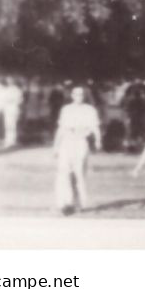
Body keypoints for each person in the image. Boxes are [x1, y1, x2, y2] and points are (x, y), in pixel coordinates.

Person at [51, 86, 102, 215]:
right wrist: (56, 147)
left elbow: (95, 127)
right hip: (66, 142)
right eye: (76, 94)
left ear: (84, 96)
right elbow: (61, 129)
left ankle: (81, 203)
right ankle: (64, 203)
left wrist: (98, 140)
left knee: (79, 173)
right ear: (72, 95)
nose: (79, 96)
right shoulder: (66, 109)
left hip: (80, 142)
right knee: (63, 172)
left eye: (81, 94)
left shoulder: (90, 110)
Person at [0, 77, 24, 148]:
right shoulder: (6, 90)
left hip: (13, 108)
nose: (9, 82)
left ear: (14, 81)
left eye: (11, 80)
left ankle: (12, 141)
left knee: (12, 125)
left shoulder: (17, 90)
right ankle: (8, 140)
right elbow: (2, 99)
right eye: (8, 80)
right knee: (8, 125)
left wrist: (11, 101)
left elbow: (20, 100)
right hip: (7, 109)